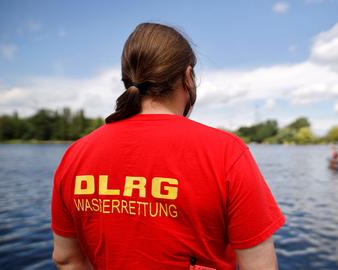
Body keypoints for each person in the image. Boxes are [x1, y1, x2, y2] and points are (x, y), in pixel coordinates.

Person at [50, 22, 285, 270]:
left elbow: (66, 258)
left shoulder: (76, 155)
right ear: (187, 77)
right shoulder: (226, 152)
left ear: (128, 77)